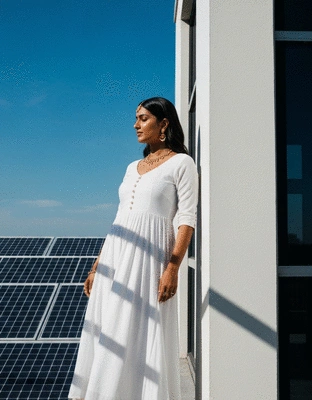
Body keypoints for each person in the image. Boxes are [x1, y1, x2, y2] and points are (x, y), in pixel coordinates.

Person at [68, 97, 198, 400]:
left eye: (143, 118)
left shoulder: (182, 163)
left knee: (138, 330)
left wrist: (173, 267)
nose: (135, 125)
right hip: (116, 256)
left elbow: (187, 219)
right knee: (109, 328)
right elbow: (119, 218)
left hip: (149, 260)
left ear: (163, 123)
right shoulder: (131, 167)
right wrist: (96, 266)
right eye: (136, 118)